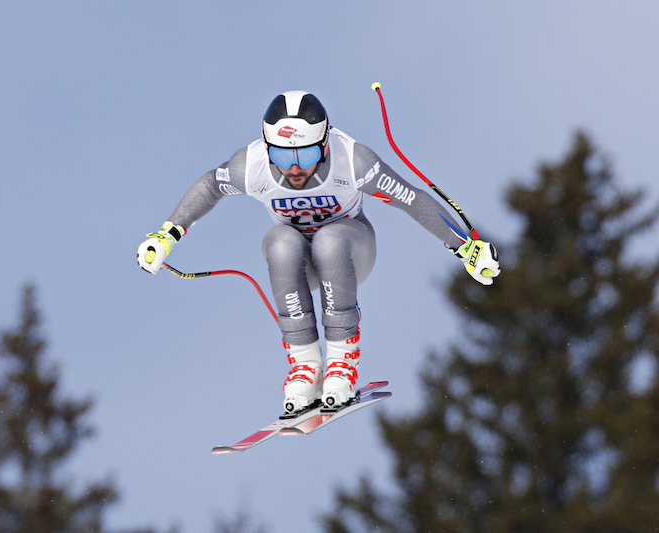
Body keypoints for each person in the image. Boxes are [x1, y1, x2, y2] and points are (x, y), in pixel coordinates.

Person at [137, 90, 500, 414]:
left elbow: (411, 198)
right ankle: (305, 364)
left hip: (351, 252)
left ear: (325, 145)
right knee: (279, 241)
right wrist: (166, 236)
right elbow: (209, 187)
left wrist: (465, 248)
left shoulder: (353, 159)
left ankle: (342, 360)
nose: (294, 167)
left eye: (307, 154)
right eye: (281, 155)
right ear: (266, 148)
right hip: (299, 267)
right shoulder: (251, 165)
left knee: (328, 240)